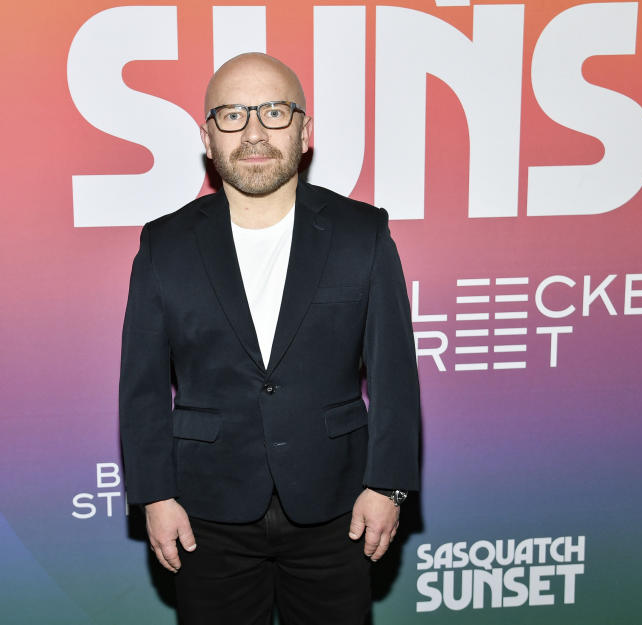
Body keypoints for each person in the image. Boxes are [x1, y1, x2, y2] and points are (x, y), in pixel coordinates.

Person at [118, 52, 420, 625]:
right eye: (232, 115)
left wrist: (389, 485)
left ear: (305, 131)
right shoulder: (165, 245)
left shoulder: (363, 233)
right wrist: (155, 497)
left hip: (340, 508)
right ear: (207, 137)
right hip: (207, 513)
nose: (254, 132)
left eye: (274, 112)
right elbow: (143, 389)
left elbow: (395, 378)